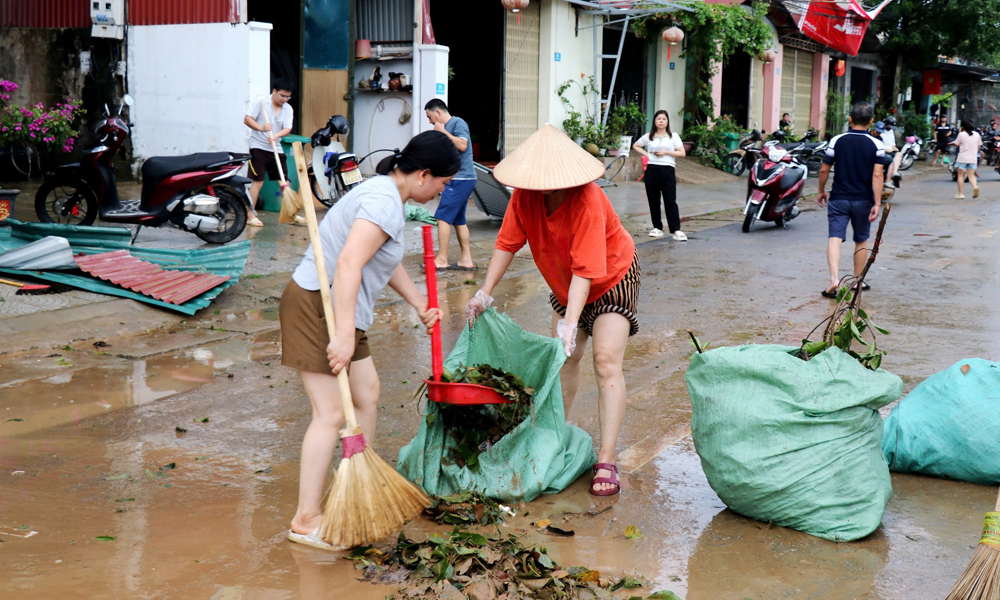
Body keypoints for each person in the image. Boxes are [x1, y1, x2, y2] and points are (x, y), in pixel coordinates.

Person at [281, 131, 459, 550]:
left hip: (341, 308)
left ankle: (352, 491)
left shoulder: (386, 197)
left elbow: (380, 258)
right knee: (328, 412)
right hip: (317, 303)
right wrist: (344, 335)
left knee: (367, 394)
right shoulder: (382, 201)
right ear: (424, 174)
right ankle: (305, 518)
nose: (441, 192)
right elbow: (347, 265)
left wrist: (418, 302)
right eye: (443, 183)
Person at [468, 125, 641, 496]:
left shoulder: (588, 199)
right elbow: (507, 243)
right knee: (563, 360)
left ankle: (607, 458)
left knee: (605, 360)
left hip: (612, 275)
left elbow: (587, 270)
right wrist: (484, 292)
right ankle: (553, 438)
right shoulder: (524, 198)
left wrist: (571, 322)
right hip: (565, 280)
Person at [817, 102, 889, 299]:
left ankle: (834, 279)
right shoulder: (877, 144)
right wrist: (876, 202)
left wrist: (821, 191)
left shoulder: (837, 140)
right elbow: (877, 176)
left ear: (850, 119)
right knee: (861, 239)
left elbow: (824, 169)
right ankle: (858, 280)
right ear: (871, 121)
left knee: (835, 237)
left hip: (839, 198)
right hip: (863, 201)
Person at [424, 99, 477, 272]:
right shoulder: (446, 128)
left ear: (438, 112)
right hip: (458, 178)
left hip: (461, 178)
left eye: (430, 116)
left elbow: (462, 144)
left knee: (442, 217)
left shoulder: (457, 123)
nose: (430, 121)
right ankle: (466, 260)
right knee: (458, 220)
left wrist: (442, 132)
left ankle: (441, 259)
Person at [244, 79, 295, 227]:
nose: (285, 99)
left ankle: (291, 212)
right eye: (282, 96)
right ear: (274, 91)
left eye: (288, 97)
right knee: (258, 181)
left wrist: (277, 135)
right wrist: (261, 128)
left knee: (284, 180)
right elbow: (247, 119)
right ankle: (250, 215)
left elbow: (287, 128)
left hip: (275, 147)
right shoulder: (261, 102)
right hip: (258, 147)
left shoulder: (288, 109)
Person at [633, 110, 687, 240]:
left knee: (670, 200)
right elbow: (636, 145)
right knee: (654, 200)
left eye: (664, 119)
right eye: (659, 119)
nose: (661, 121)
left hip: (667, 169)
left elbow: (682, 153)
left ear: (667, 121)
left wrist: (666, 153)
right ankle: (657, 227)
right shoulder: (649, 136)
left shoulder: (673, 136)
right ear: (655, 122)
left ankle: (676, 230)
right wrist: (647, 155)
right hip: (652, 170)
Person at [952, 119, 981, 199]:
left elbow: (956, 145)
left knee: (960, 176)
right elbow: (979, 146)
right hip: (973, 158)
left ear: (963, 126)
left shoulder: (961, 134)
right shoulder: (977, 135)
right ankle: (975, 186)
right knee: (971, 176)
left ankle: (960, 194)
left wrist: (960, 131)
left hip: (962, 158)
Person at [875, 118, 903, 188]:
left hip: (890, 151)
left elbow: (892, 144)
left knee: (899, 154)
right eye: (889, 126)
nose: (890, 128)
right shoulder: (879, 131)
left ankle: (894, 173)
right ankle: (888, 181)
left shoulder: (891, 131)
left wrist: (894, 148)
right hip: (882, 151)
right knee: (890, 160)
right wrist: (885, 149)